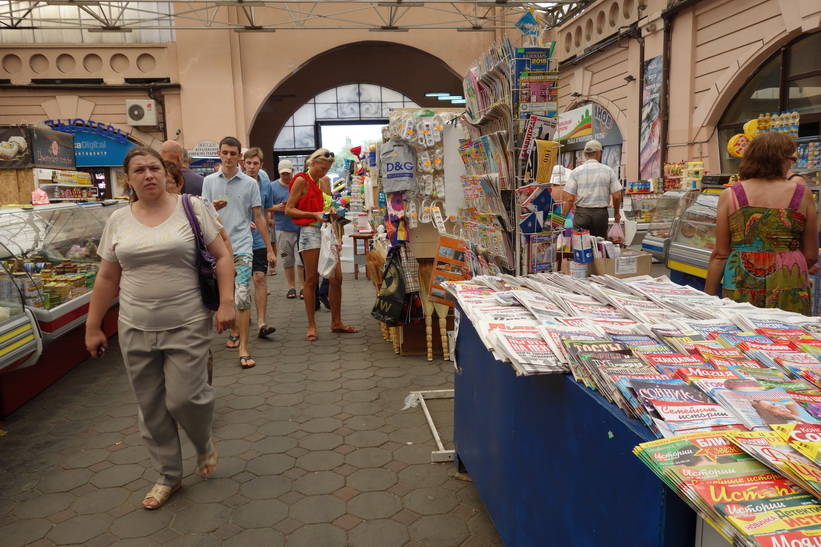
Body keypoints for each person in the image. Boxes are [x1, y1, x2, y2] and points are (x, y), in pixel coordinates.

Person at [84, 146, 235, 510]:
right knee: (150, 407)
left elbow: (223, 255)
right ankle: (169, 476)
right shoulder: (118, 220)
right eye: (139, 170)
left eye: (154, 168)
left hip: (186, 321)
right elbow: (107, 276)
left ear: (167, 174)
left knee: (185, 397)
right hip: (134, 325)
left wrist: (227, 302)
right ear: (129, 178)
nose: (148, 175)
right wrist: (93, 326)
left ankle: (202, 441)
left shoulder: (192, 208)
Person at [705, 132, 818, 315]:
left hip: (741, 278)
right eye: (792, 158)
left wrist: (708, 301)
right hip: (789, 280)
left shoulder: (731, 195)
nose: (792, 164)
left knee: (741, 336)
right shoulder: (802, 193)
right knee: (788, 338)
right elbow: (811, 255)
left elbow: (720, 255)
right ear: (781, 160)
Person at [203, 136, 275, 369]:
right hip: (217, 247)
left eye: (233, 153)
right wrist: (212, 207)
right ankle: (233, 328)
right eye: (225, 152)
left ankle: (244, 348)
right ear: (219, 153)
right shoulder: (210, 181)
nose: (229, 157)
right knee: (226, 294)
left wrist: (269, 248)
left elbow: (258, 216)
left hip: (242, 246)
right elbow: (203, 215)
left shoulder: (250, 184)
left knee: (242, 293)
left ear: (239, 157)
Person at [165, 163, 233, 386]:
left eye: (167, 183)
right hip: (157, 305)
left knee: (197, 350)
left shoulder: (195, 206)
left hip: (194, 292)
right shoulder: (135, 211)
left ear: (179, 184)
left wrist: (226, 294)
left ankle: (201, 394)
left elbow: (223, 241)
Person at [285, 148, 357, 341]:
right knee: (311, 280)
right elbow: (289, 210)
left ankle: (336, 321)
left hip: (327, 230)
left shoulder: (325, 181)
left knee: (337, 277)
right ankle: (311, 325)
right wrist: (313, 214)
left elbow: (328, 206)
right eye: (321, 168)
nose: (323, 172)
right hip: (309, 231)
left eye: (327, 169)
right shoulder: (301, 180)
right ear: (312, 163)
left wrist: (336, 228)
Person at [240, 147, 277, 339]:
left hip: (259, 239)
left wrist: (270, 247)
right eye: (249, 163)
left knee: (260, 278)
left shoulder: (265, 184)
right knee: (241, 283)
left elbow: (265, 208)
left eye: (255, 164)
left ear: (261, 165)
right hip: (239, 239)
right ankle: (242, 320)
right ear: (243, 164)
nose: (252, 167)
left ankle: (262, 323)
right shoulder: (238, 183)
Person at [561, 139, 622, 238]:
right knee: (599, 247)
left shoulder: (576, 172)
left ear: (585, 154)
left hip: (582, 214)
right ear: (599, 153)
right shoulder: (608, 171)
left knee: (580, 246)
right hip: (600, 215)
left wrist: (562, 219)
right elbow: (616, 196)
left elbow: (570, 198)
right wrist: (616, 214)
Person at [271, 159, 303, 298]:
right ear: (279, 173)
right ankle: (291, 287)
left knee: (301, 259)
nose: (286, 176)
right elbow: (266, 206)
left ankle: (302, 286)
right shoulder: (273, 186)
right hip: (282, 227)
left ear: (293, 171)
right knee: (287, 260)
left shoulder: (298, 184)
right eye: (283, 174)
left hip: (299, 227)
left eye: (288, 173)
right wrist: (276, 208)